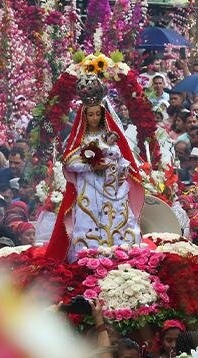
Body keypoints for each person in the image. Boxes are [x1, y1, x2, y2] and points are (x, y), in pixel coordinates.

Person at [45, 74, 144, 262]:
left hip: (112, 188)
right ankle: (88, 256)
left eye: (97, 114)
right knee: (89, 221)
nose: (94, 117)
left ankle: (120, 253)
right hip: (88, 189)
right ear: (84, 115)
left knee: (117, 219)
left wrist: (119, 168)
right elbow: (69, 163)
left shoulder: (111, 136)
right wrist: (91, 165)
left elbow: (122, 158)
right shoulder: (79, 138)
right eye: (90, 114)